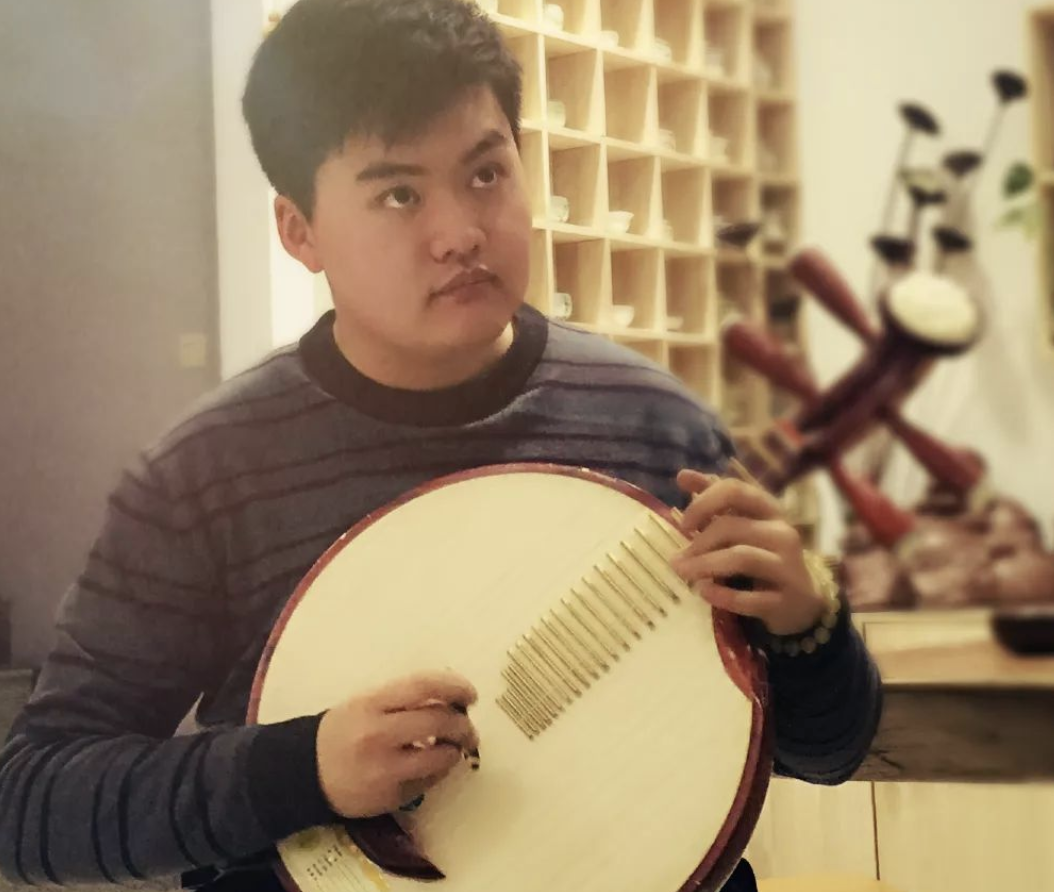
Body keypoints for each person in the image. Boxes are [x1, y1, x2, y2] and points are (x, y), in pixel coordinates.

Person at [0, 1, 882, 890]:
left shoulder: (655, 424)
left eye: (487, 173)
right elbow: (29, 803)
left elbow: (824, 754)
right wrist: (302, 768)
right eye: (399, 194)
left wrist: (809, 629)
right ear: (299, 230)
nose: (460, 232)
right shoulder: (206, 474)